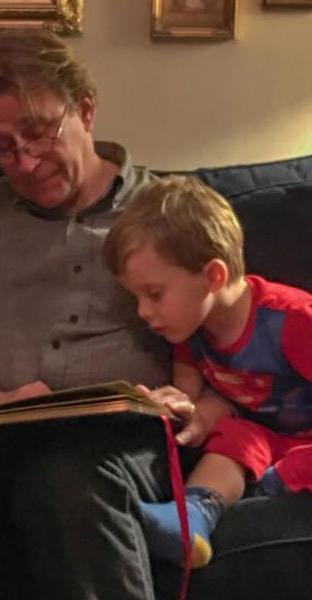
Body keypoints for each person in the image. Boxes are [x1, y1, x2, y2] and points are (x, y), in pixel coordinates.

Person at [0, 28, 217, 600]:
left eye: (37, 132)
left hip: (112, 446)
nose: (22, 161)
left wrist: (190, 402)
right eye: (0, 145)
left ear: (86, 109)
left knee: (66, 478)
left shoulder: (168, 212)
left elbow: (227, 332)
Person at [103, 175, 312, 568]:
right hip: (269, 441)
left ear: (212, 276)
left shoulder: (292, 321)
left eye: (154, 294)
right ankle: (193, 517)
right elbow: (198, 402)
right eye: (136, 297)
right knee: (233, 435)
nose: (142, 313)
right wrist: (180, 408)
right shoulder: (190, 332)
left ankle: (283, 479)